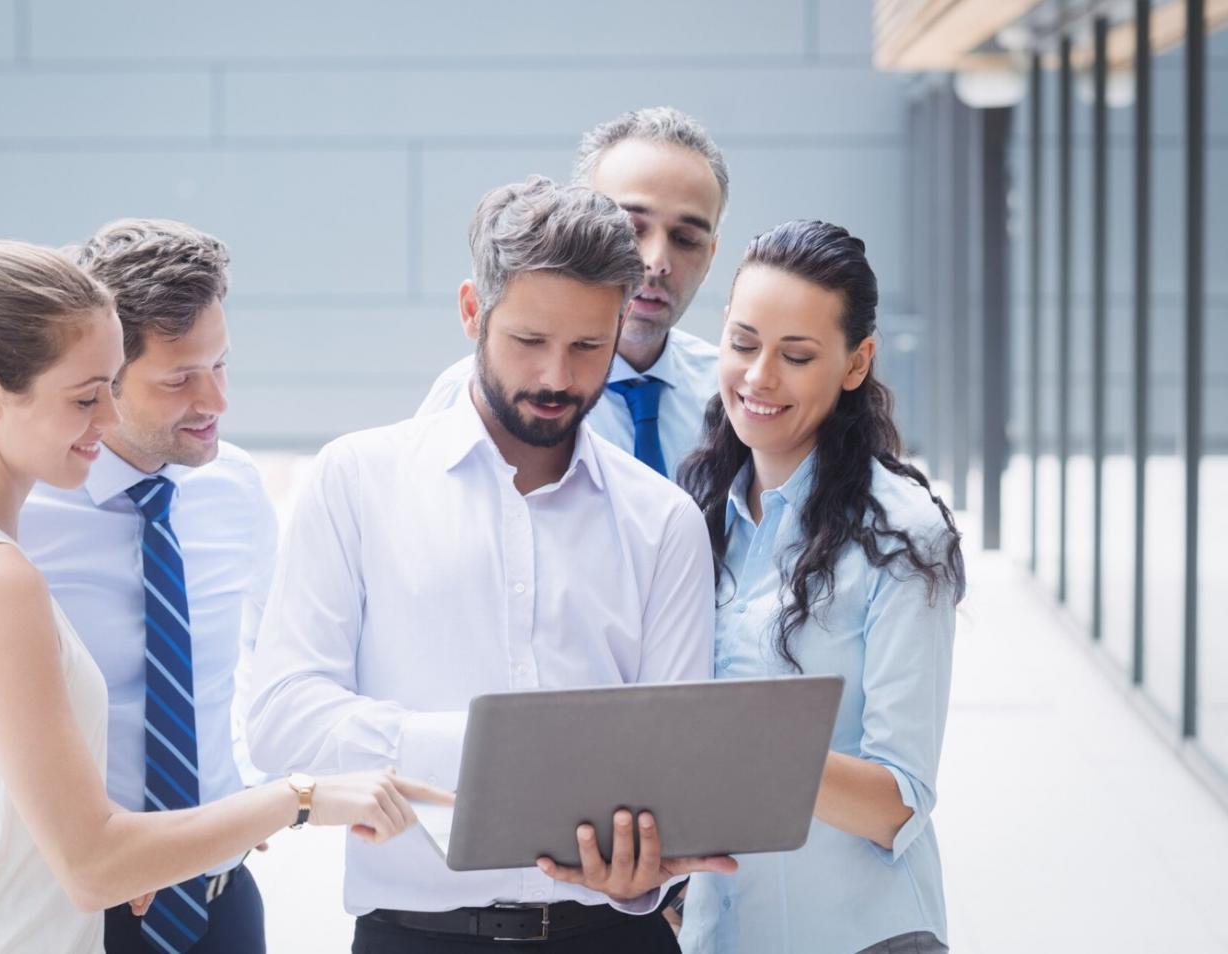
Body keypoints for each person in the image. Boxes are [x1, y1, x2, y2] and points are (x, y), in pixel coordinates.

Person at [0, 229, 449, 954]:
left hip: (189, 890)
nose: (110, 419)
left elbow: (267, 675)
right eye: (94, 395)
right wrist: (293, 801)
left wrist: (211, 818)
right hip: (61, 917)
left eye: (221, 364)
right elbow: (88, 862)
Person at [245, 176, 736, 954]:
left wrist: (646, 877)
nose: (555, 378)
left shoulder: (663, 519)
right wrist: (491, 749)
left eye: (586, 347)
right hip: (413, 936)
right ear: (473, 311)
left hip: (610, 938)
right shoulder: (355, 482)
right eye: (529, 342)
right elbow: (281, 720)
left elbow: (669, 770)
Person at [675, 220, 965, 954]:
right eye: (743, 344)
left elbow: (899, 804)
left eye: (796, 355)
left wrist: (744, 745)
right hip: (719, 933)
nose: (759, 377)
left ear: (856, 363)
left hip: (862, 935)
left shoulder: (905, 536)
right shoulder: (695, 514)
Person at [417, 107, 727, 478]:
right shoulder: (474, 398)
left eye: (685, 239)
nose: (657, 260)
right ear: (580, 223)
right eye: (631, 227)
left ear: (710, 256)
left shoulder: (734, 398)